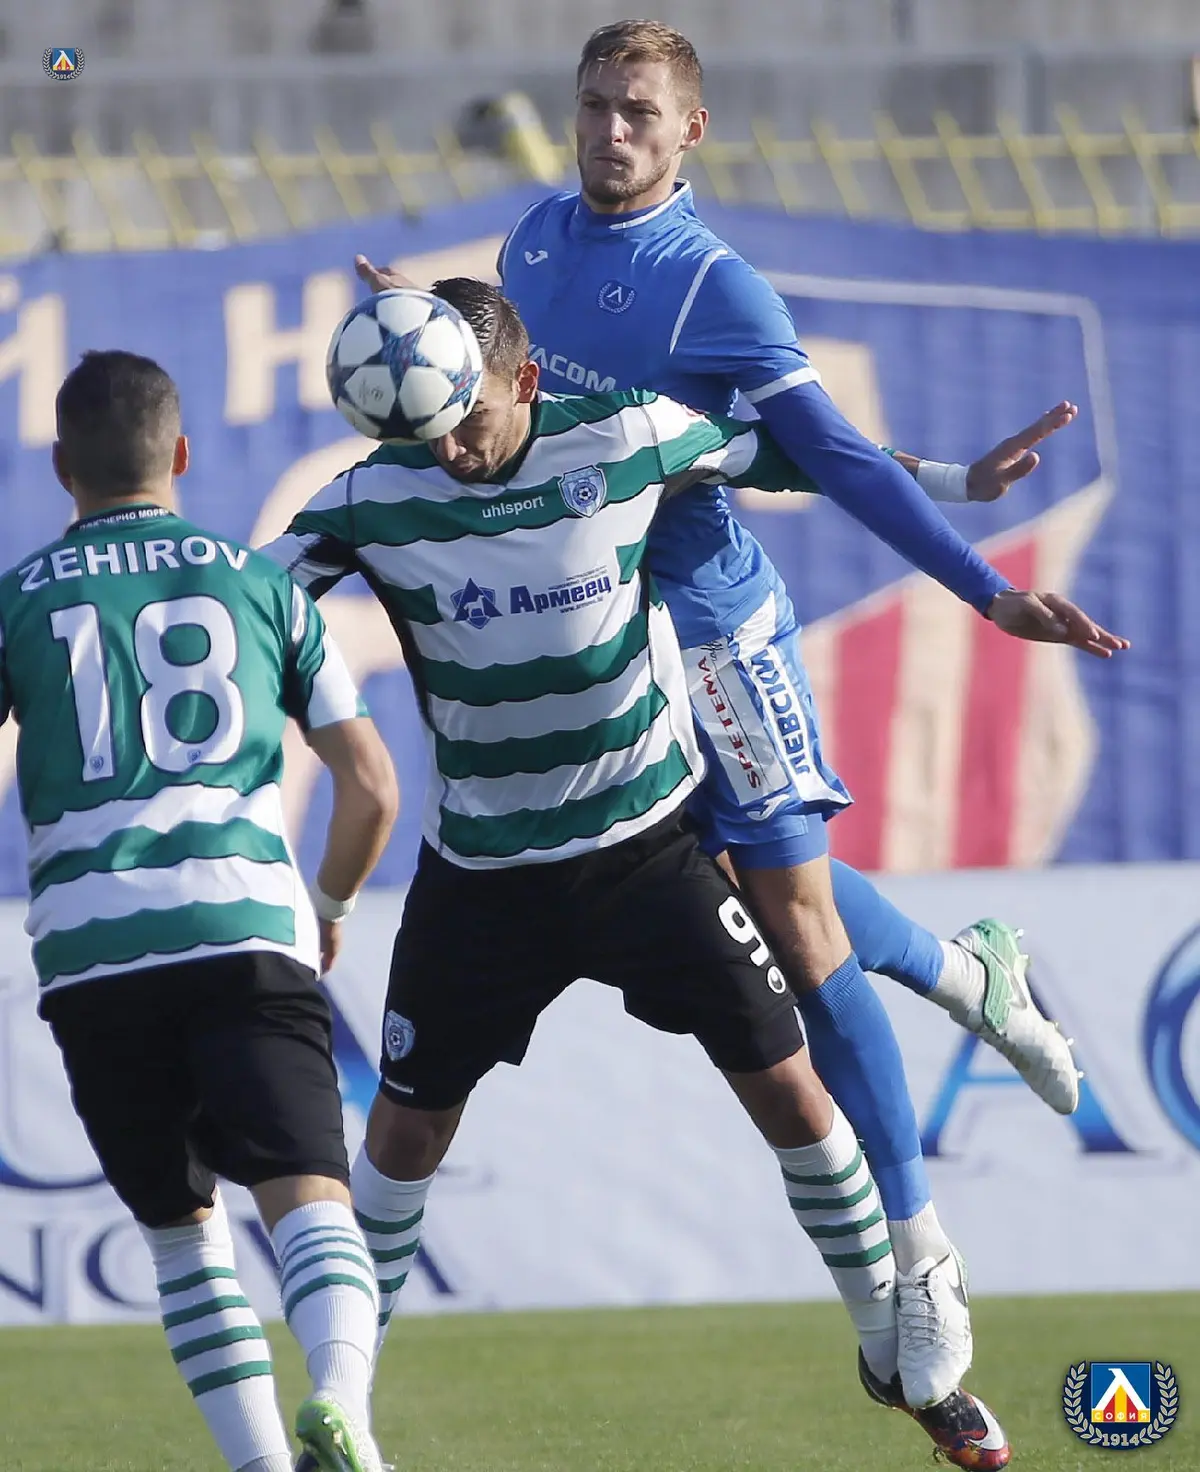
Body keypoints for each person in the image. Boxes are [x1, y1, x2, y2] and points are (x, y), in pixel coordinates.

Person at [350, 18, 1123, 1436]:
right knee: (756, 893)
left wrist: (982, 577)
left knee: (802, 926)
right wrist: (422, 342)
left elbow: (806, 449)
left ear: (689, 130)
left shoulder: (714, 285)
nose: (610, 131)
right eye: (595, 104)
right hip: (600, 641)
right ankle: (970, 975)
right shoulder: (533, 244)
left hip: (711, 634)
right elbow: (525, 409)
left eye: (639, 111)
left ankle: (920, 1254)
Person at [0, 351, 399, 1472]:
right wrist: (328, 901)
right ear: (178, 453)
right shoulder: (263, 586)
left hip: (94, 953)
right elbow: (372, 786)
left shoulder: (19, 600)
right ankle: (344, 1404)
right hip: (242, 927)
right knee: (310, 1200)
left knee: (182, 1241)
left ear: (62, 467)